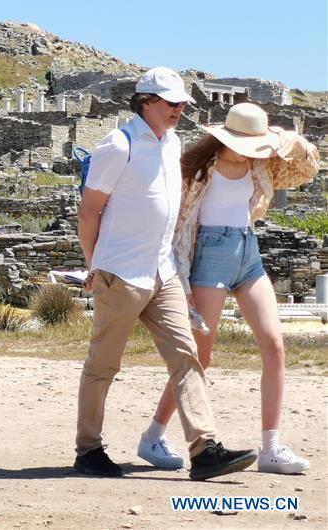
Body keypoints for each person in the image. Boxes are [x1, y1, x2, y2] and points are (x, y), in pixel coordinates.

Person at [75, 66, 256, 481]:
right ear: (146, 102)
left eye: (181, 104)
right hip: (120, 272)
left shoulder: (172, 144)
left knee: (186, 354)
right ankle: (88, 450)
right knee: (103, 364)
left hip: (163, 271)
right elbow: (89, 210)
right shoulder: (117, 145)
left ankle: (205, 447)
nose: (178, 110)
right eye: (171, 103)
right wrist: (94, 265)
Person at [137, 102, 319, 474]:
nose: (252, 151)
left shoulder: (260, 166)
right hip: (210, 256)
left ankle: (270, 447)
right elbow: (175, 224)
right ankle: (154, 434)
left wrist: (282, 137)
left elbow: (307, 167)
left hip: (247, 252)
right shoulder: (196, 169)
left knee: (274, 345)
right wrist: (179, 280)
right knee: (198, 357)